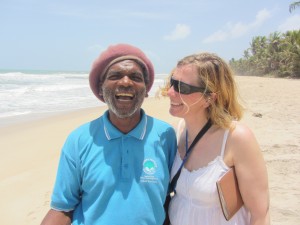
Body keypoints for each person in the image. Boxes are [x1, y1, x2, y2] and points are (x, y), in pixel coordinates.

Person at [40, 43, 177, 225]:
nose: (126, 82)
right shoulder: (79, 139)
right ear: (100, 89)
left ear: (146, 90)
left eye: (135, 77)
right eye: (115, 76)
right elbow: (62, 208)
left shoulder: (165, 136)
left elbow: (167, 198)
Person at [161, 52, 270, 225]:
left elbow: (260, 215)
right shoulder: (179, 129)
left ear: (209, 98)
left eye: (182, 88)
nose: (170, 92)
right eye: (172, 83)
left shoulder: (237, 138)